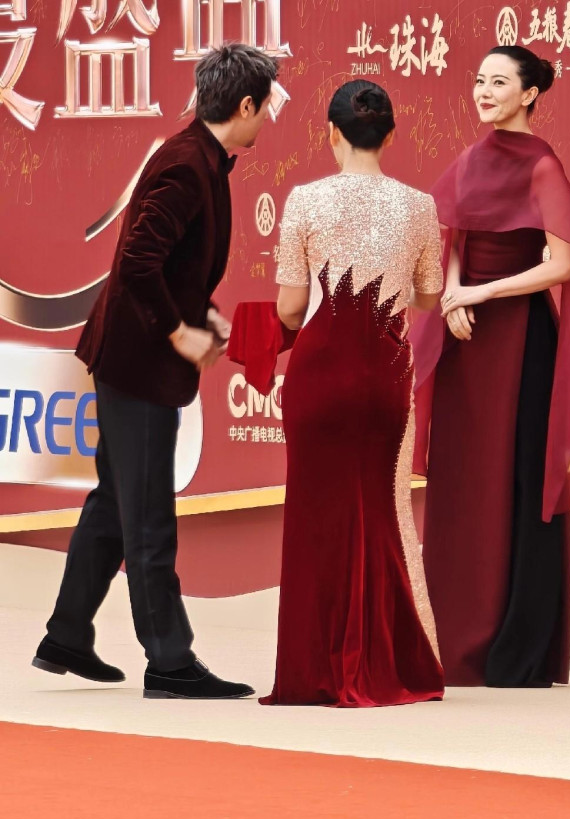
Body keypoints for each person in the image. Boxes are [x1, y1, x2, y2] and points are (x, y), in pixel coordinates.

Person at [32, 44, 279, 699]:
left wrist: (203, 317)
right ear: (245, 105)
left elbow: (170, 264)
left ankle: (65, 634)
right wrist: (178, 331)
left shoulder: (200, 158)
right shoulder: (186, 164)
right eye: (266, 107)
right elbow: (139, 260)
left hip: (132, 355)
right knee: (147, 516)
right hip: (138, 360)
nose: (267, 119)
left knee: (117, 501)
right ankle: (169, 661)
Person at [413, 46, 570, 688]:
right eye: (479, 80)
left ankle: (514, 648)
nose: (484, 90)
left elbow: (563, 264)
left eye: (499, 82)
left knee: (520, 482)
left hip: (521, 340)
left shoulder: (542, 165)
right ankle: (453, 640)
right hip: (466, 344)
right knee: (463, 482)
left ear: (529, 94)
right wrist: (452, 295)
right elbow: (451, 235)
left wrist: (481, 292)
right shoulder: (470, 158)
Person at [259, 80, 445, 707]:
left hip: (319, 375)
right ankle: (386, 661)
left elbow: (289, 308)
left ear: (331, 133)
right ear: (389, 135)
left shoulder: (304, 200)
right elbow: (429, 295)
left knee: (315, 519)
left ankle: (314, 669)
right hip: (385, 376)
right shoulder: (419, 206)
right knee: (384, 509)